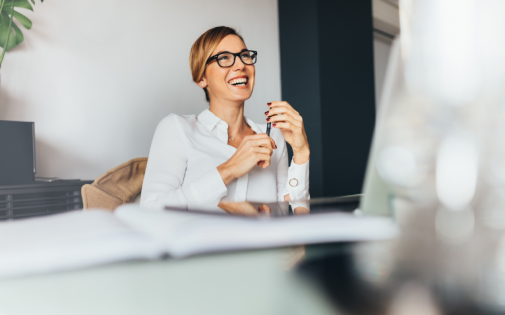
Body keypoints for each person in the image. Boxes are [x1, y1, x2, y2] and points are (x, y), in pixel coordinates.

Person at [140, 26, 310, 215]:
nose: (240, 65)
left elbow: (289, 220)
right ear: (201, 78)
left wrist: (301, 154)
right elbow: (150, 212)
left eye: (245, 56)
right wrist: (229, 170)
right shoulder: (177, 129)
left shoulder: (274, 137)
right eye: (224, 58)